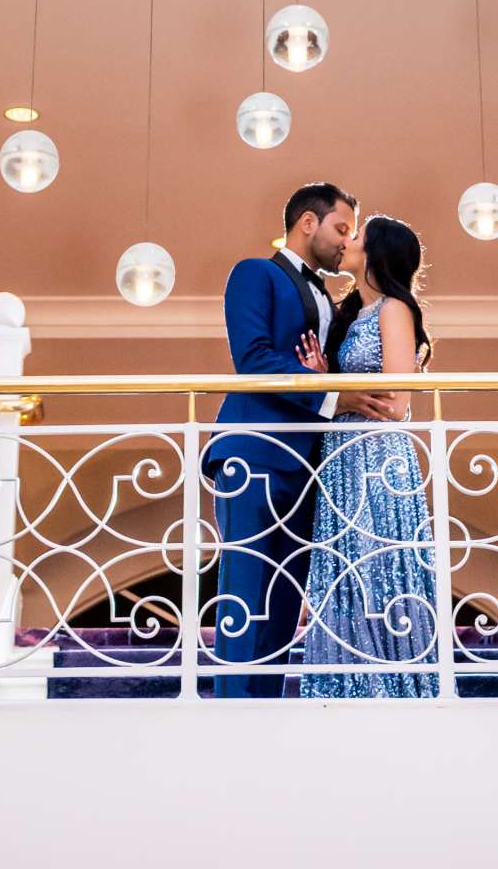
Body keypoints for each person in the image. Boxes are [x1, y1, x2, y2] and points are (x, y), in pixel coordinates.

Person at [206, 181, 395, 698]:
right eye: (340, 228)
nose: (344, 241)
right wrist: (334, 396)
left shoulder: (337, 303)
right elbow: (254, 360)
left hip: (313, 463)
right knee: (247, 587)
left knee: (287, 598)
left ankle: (264, 708)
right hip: (255, 454)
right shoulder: (255, 273)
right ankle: (231, 709)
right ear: (307, 223)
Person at [298, 213, 438, 698]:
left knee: (375, 562)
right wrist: (324, 375)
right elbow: (351, 391)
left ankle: (390, 685)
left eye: (355, 236)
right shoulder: (352, 313)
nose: (346, 241)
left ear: (375, 254)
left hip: (376, 455)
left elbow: (396, 401)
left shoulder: (394, 310)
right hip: (341, 456)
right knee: (343, 567)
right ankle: (344, 683)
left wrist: (341, 387)